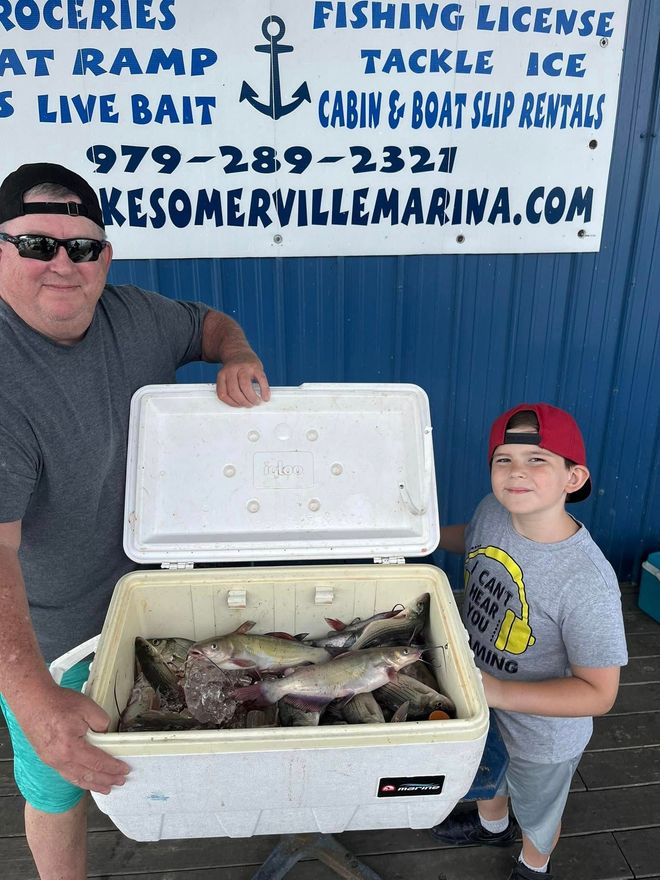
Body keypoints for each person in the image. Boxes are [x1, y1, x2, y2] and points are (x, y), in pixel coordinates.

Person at [0, 161, 271, 880]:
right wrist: (32, 697)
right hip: (50, 635)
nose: (62, 263)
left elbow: (208, 325)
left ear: (105, 256)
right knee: (58, 782)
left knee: (184, 736)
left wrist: (236, 352)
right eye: (35, 245)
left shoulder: (136, 314)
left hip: (158, 597)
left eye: (82, 246)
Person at [430, 403, 628, 880]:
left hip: (543, 734)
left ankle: (532, 864)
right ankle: (491, 826)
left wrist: (496, 690)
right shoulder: (491, 510)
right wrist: (426, 537)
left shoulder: (586, 582)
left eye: (538, 459)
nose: (516, 472)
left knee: (539, 811)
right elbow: (471, 537)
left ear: (573, 478)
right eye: (504, 459)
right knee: (487, 773)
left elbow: (600, 694)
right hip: (479, 695)